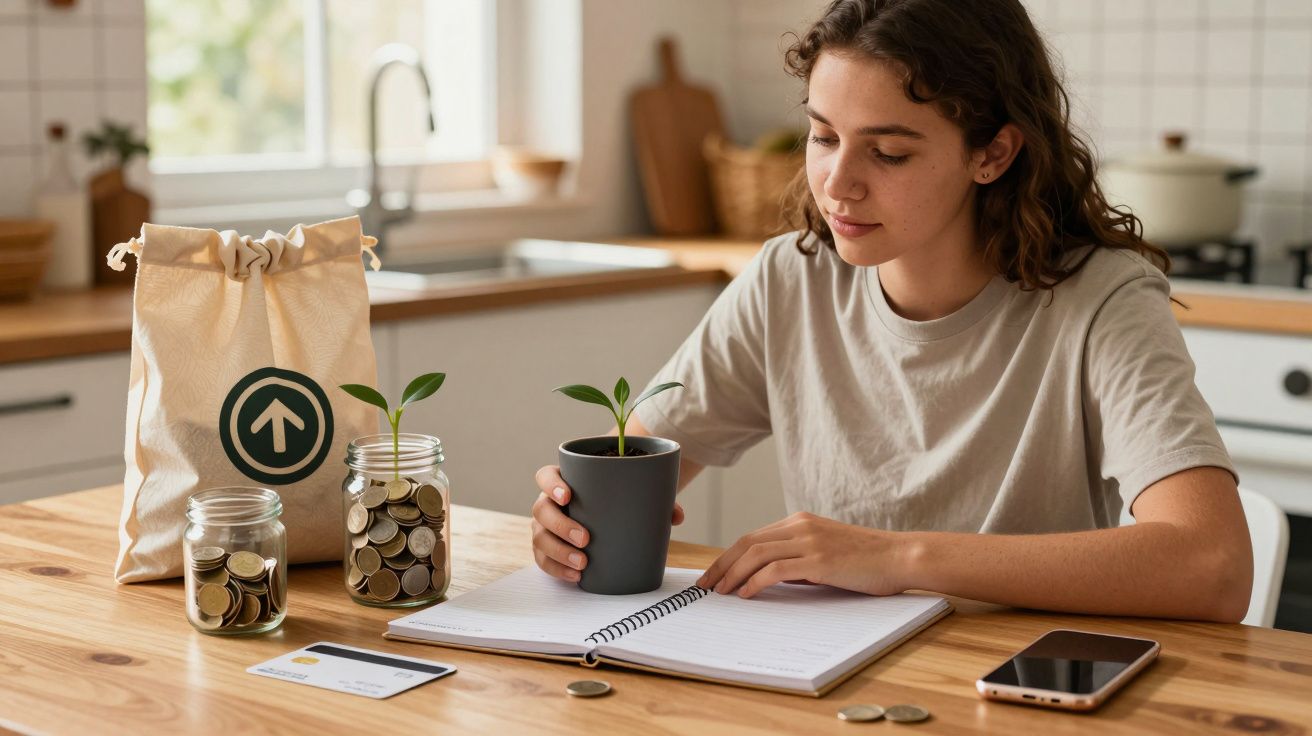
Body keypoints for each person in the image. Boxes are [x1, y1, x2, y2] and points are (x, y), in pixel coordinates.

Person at [530, 0, 1253, 622]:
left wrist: (897, 558)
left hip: (1017, 689)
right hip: (828, 682)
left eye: (889, 153)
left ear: (993, 154)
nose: (837, 183)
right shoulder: (789, 279)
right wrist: (570, 523)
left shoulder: (1102, 300)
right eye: (823, 137)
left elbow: (1213, 565)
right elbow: (636, 460)